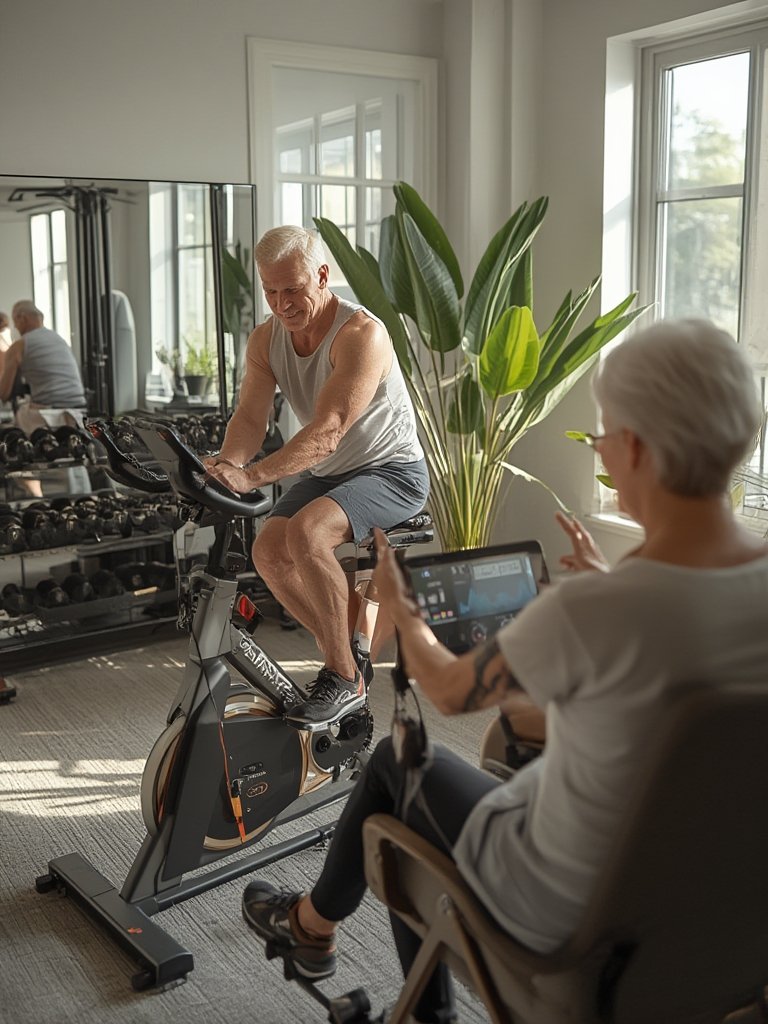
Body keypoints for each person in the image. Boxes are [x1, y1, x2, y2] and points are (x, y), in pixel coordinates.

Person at [239, 319, 768, 1023]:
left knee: (401, 766)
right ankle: (319, 932)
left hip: (570, 921)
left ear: (636, 449)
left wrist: (404, 612)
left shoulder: (595, 608)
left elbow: (452, 692)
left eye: (604, 436)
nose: (603, 450)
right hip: (725, 912)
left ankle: (332, 944)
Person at [205, 226, 428, 727]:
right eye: (271, 291)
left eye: (292, 289)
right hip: (332, 474)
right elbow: (249, 418)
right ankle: (347, 656)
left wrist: (254, 476)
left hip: (392, 471)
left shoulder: (360, 334)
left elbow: (328, 432)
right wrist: (229, 465)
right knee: (268, 550)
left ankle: (344, 676)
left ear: (322, 275)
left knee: (308, 533)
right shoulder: (266, 338)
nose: (280, 303)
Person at [0, 300, 86, 433]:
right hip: (79, 408)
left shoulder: (19, 345)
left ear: (22, 318)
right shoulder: (59, 339)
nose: (15, 327)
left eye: (14, 322)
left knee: (17, 416)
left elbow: (4, 393)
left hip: (50, 413)